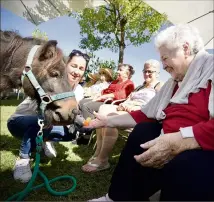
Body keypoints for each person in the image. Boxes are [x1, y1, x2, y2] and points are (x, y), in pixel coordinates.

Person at [85, 24, 214, 201]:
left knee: (188, 164)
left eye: (165, 58)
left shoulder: (211, 69)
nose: (163, 65)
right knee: (143, 131)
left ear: (185, 48)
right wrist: (108, 121)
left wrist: (180, 140)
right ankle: (117, 197)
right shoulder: (173, 83)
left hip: (204, 147)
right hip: (168, 137)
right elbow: (145, 114)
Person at [7, 49, 90, 183]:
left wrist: (77, 121)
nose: (77, 71)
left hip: (46, 124)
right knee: (45, 120)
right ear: (65, 65)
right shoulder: (50, 80)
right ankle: (23, 160)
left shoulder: (79, 91)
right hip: (19, 122)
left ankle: (44, 141)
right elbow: (42, 111)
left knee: (71, 134)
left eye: (81, 68)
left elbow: (67, 113)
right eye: (73, 66)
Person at [82, 59, 163, 173]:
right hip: (126, 109)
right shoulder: (140, 87)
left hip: (140, 113)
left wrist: (138, 108)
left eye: (150, 71)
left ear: (158, 73)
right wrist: (124, 104)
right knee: (102, 110)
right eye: (145, 71)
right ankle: (98, 152)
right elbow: (128, 98)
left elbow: (159, 105)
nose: (146, 74)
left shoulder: (160, 86)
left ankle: (103, 160)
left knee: (110, 118)